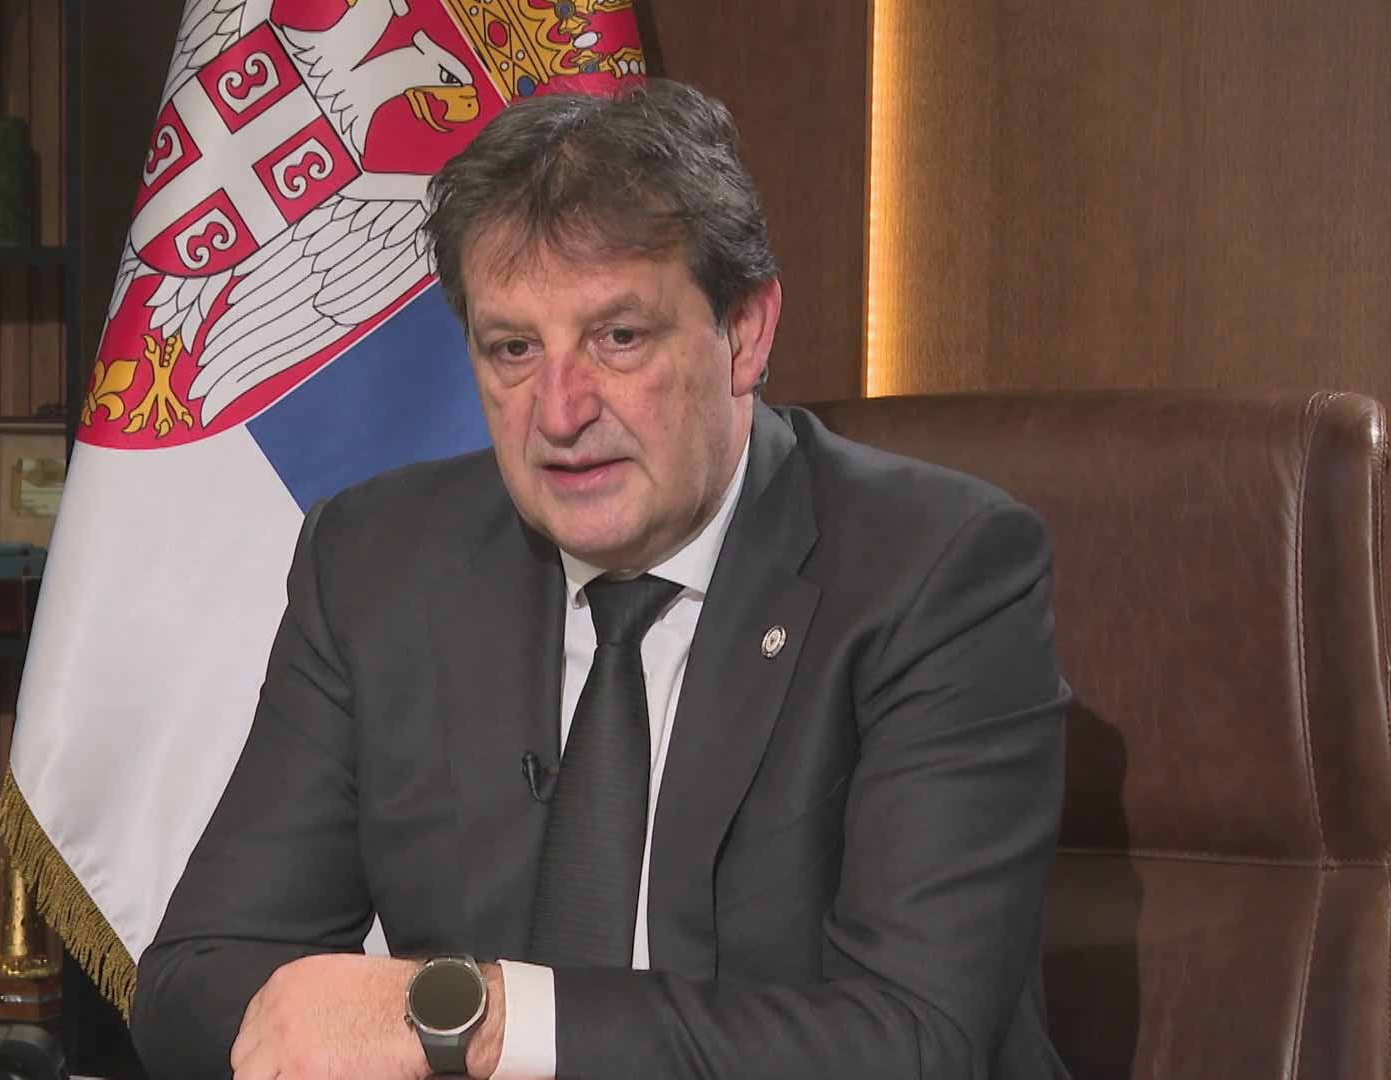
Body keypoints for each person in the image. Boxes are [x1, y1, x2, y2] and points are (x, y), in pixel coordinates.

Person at [132, 79, 1072, 1079]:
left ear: (746, 332)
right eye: (513, 350)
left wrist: (479, 1020)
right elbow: (194, 982)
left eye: (618, 338)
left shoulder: (935, 571)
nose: (560, 412)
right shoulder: (379, 562)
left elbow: (915, 1042)